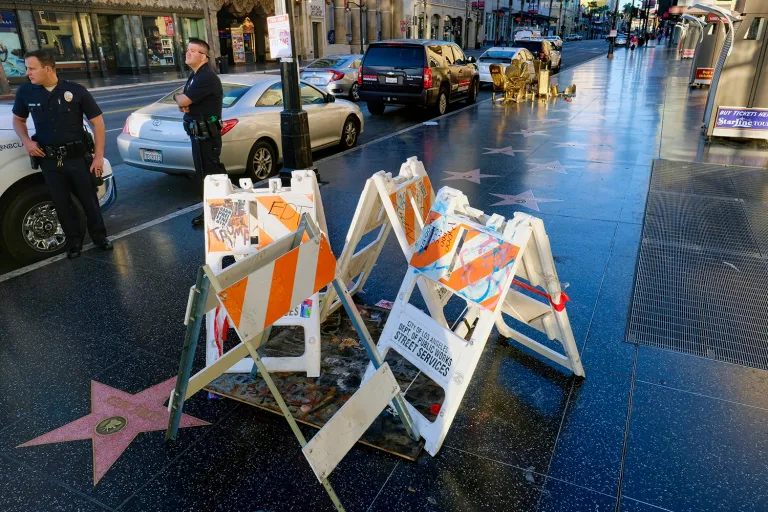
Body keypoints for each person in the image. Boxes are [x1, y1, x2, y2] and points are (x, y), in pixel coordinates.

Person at [12, 49, 112, 259]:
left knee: (89, 200)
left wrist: (98, 156)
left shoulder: (75, 90)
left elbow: (98, 122)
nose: (27, 73)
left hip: (77, 158)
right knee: (61, 202)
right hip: (49, 160)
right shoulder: (26, 92)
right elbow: (18, 120)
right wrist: (27, 142)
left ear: (47, 69)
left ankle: (100, 237)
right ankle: (74, 242)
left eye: (31, 68)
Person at [172, 38, 225, 227]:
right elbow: (182, 99)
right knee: (208, 176)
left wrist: (183, 100)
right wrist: (182, 99)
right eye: (188, 50)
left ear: (204, 57)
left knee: (211, 177)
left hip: (207, 136)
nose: (188, 53)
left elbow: (184, 100)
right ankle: (214, 212)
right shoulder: (195, 75)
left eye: (193, 51)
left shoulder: (206, 77)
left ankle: (217, 215)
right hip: (199, 135)